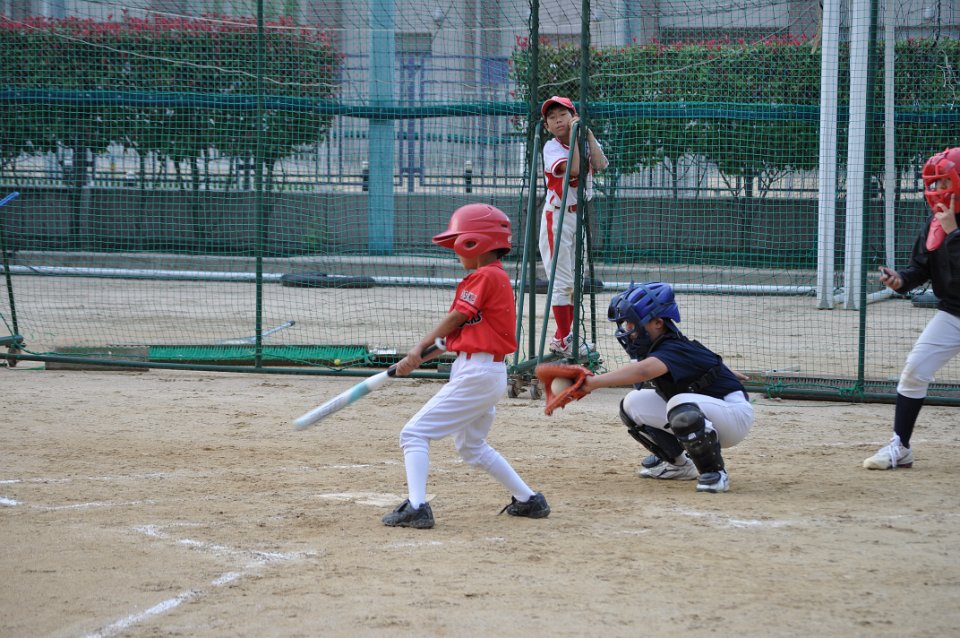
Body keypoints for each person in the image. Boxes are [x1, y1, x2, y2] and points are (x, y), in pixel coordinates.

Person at [382, 204, 551, 528]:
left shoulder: (487, 275)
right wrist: (416, 359)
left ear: (475, 243)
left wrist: (417, 346)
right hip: (481, 371)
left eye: (459, 242)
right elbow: (451, 340)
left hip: (478, 373)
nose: (455, 250)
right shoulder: (489, 278)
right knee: (471, 446)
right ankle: (529, 499)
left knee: (413, 433)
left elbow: (456, 317)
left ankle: (417, 507)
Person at [579, 282, 754, 493]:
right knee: (632, 403)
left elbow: (643, 371)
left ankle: (715, 473)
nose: (628, 330)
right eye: (626, 324)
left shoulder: (672, 347)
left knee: (679, 404)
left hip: (733, 415)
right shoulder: (655, 347)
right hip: (708, 410)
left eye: (633, 323)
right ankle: (679, 465)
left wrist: (591, 383)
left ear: (657, 323)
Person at [864, 147, 960, 470]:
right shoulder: (937, 222)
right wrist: (901, 280)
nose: (938, 190)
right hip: (953, 311)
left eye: (945, 181)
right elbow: (921, 268)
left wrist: (953, 232)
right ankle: (901, 447)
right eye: (935, 183)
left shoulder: (947, 224)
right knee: (915, 370)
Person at [538, 96, 608, 357]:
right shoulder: (551, 147)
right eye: (552, 117)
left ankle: (563, 338)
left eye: (563, 115)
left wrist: (586, 134)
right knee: (562, 281)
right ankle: (566, 338)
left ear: (573, 116)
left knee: (575, 280)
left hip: (578, 218)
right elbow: (575, 169)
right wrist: (577, 139)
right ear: (547, 126)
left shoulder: (583, 140)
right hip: (557, 216)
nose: (558, 120)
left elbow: (600, 164)